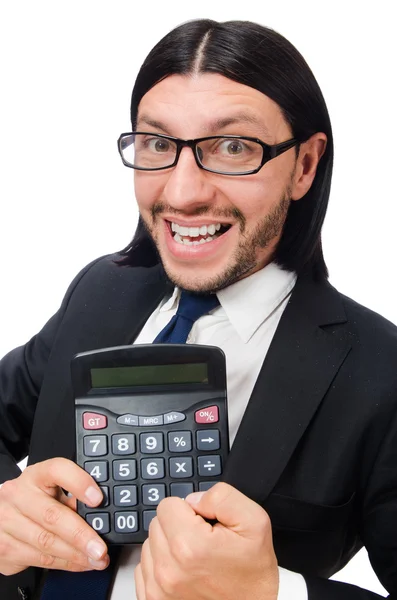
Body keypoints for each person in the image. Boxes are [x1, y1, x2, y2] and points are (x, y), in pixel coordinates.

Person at [0, 16, 396, 600]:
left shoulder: (379, 370)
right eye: (159, 144)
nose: (182, 194)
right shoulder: (101, 290)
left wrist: (270, 592)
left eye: (233, 147)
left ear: (305, 166)